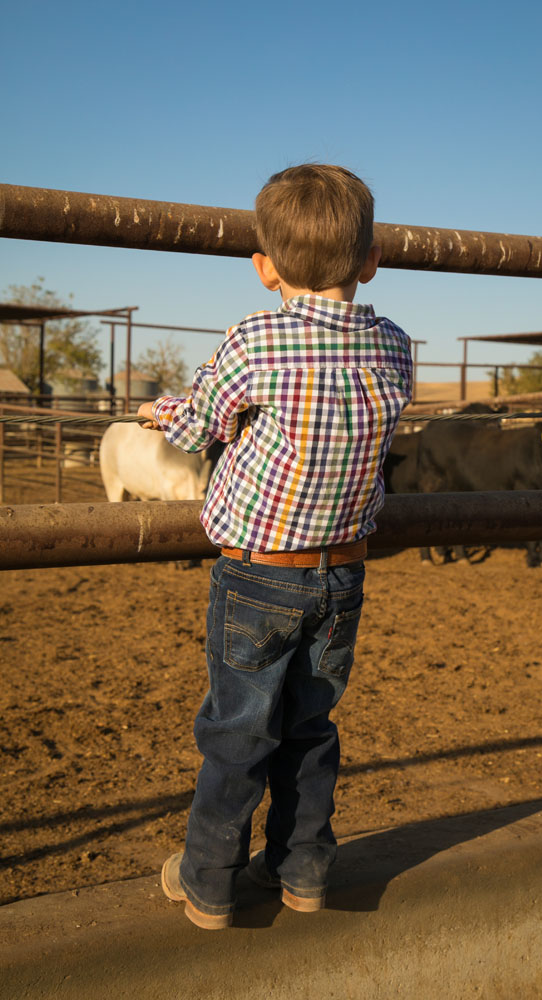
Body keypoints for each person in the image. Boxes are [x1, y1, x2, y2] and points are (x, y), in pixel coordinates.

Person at [138, 163, 413, 929]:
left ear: (264, 268)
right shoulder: (393, 345)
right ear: (370, 260)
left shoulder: (254, 338)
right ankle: (301, 874)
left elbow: (196, 427)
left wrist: (158, 411)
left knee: (236, 729)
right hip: (344, 575)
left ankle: (208, 882)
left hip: (257, 575)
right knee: (311, 726)